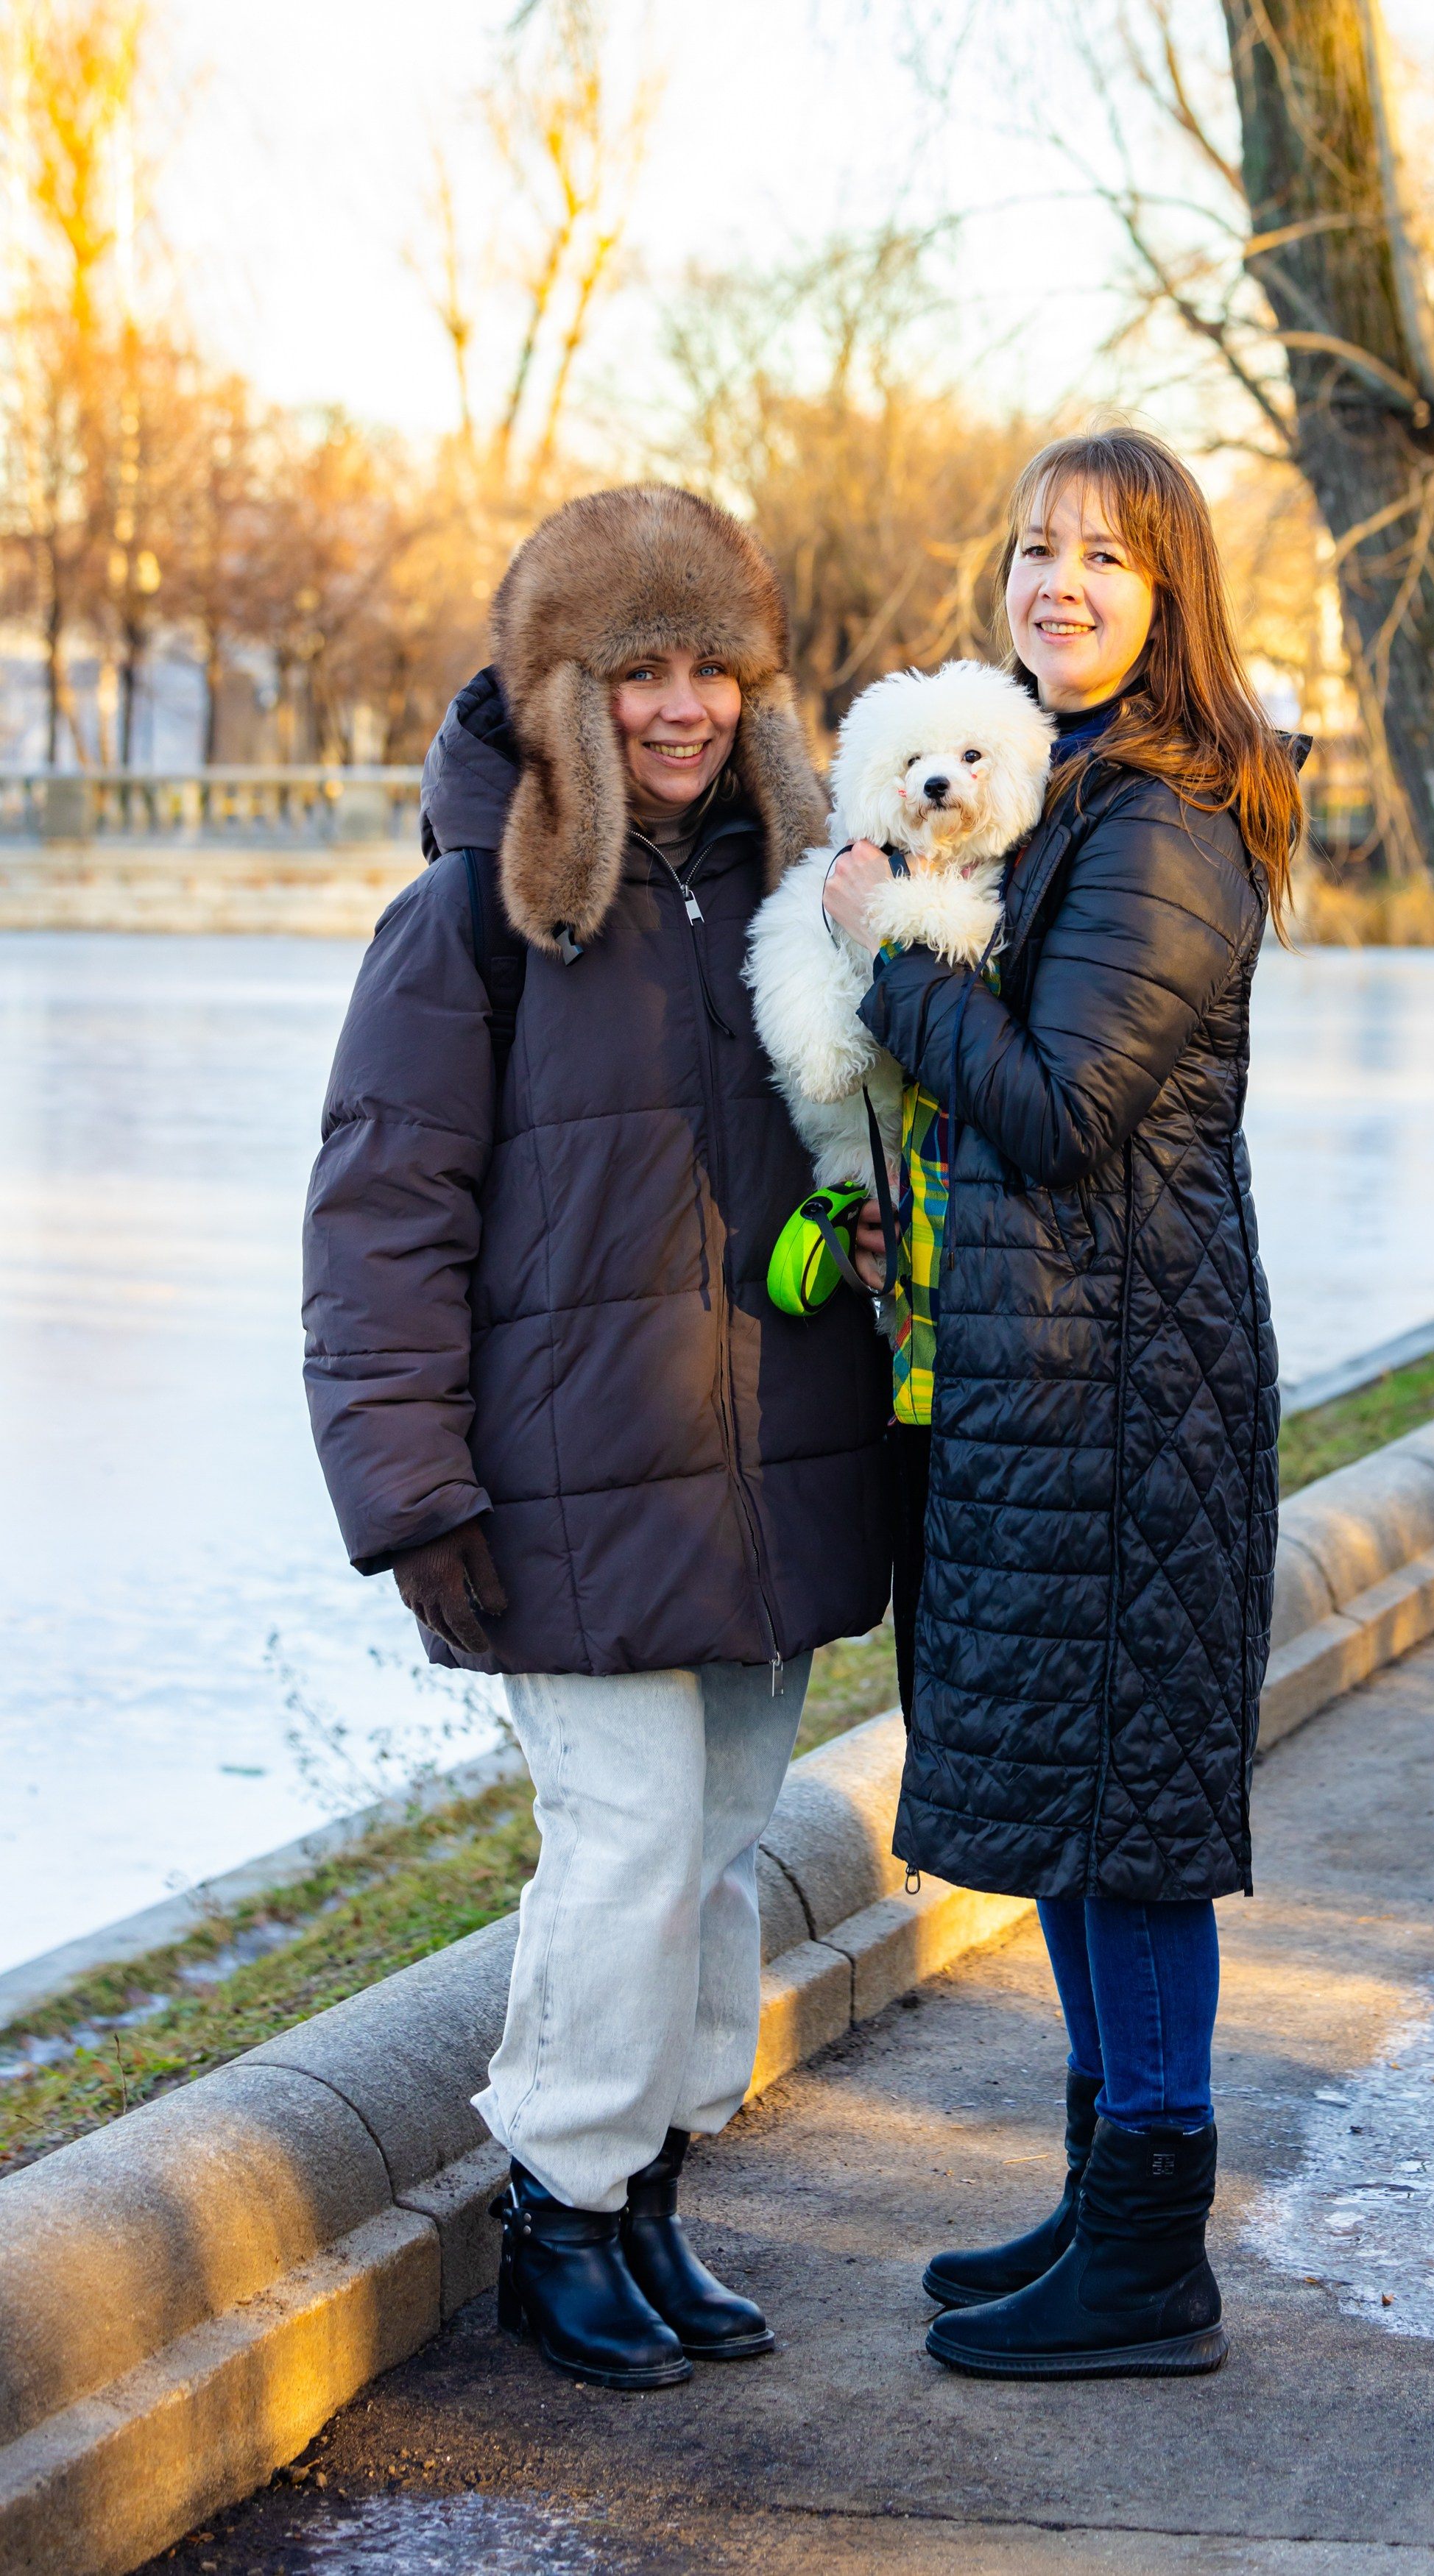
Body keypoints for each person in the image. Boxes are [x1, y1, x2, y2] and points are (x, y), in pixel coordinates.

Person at [303, 484, 891, 2392]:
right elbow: (382, 1217)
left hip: (765, 1469)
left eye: (715, 664)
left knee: (723, 1845)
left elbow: (835, 1153)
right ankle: (556, 2203)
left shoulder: (794, 892)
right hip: (561, 1493)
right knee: (627, 1842)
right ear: (561, 685)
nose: (684, 705)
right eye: (640, 669)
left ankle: (647, 2185)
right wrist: (414, 1499)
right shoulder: (467, 917)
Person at [824, 426, 1302, 2379]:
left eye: (1104, 559)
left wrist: (884, 960)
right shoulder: (1066, 797)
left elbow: (1064, 1101)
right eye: (1035, 553)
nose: (1059, 586)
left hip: (1133, 1398)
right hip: (1061, 1382)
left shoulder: (1167, 822)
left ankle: (1152, 2259)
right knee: (1087, 1816)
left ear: (1168, 593)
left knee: (1138, 1830)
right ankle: (1102, 2195)